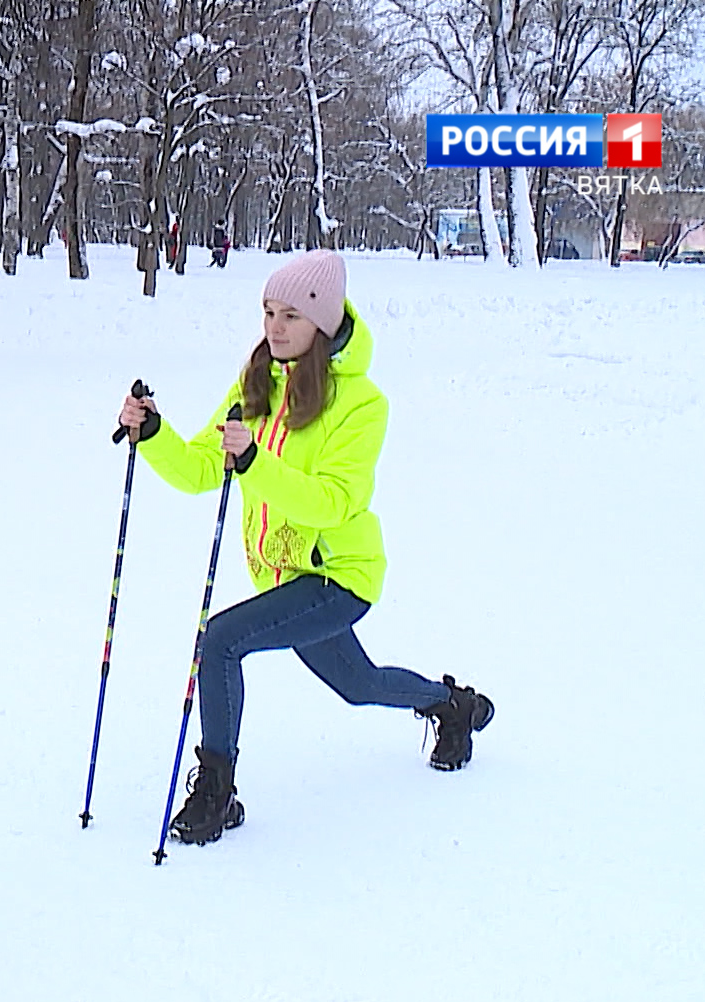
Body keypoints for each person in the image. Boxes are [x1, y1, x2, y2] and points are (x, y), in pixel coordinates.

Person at [114, 249, 495, 848]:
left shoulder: (362, 404)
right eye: (268, 311)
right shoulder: (256, 383)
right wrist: (156, 433)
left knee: (220, 641)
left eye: (291, 314)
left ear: (322, 321)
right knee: (358, 684)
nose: (275, 326)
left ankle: (217, 793)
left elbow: (333, 502)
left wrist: (255, 464)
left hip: (339, 577)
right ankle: (454, 706)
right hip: (285, 579)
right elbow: (198, 471)